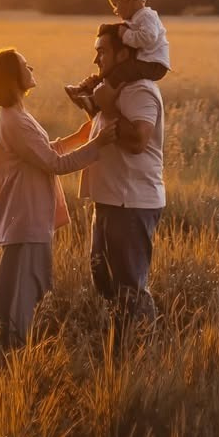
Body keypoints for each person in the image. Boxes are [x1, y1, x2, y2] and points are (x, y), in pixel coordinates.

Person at [0, 47, 116, 349]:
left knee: (22, 287)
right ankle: (15, 354)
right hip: (26, 215)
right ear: (12, 78)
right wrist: (98, 145)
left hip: (27, 214)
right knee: (24, 292)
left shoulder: (15, 115)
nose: (32, 68)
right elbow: (55, 164)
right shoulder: (15, 121)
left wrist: (79, 138)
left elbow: (43, 153)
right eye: (25, 65)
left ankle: (15, 349)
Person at [64, 22, 166, 341]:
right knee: (105, 278)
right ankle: (119, 346)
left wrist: (104, 105)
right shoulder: (114, 90)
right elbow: (107, 133)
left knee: (129, 287)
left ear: (124, 53)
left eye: (102, 52)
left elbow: (137, 140)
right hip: (109, 198)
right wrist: (92, 107)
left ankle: (141, 351)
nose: (96, 60)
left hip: (131, 201)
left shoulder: (141, 91)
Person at [64, 0, 170, 114]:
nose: (115, 10)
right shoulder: (137, 18)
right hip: (146, 61)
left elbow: (148, 37)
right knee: (115, 71)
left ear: (128, 0)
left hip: (153, 64)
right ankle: (87, 90)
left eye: (116, 4)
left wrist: (125, 34)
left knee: (119, 73)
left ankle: (95, 102)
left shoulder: (146, 16)